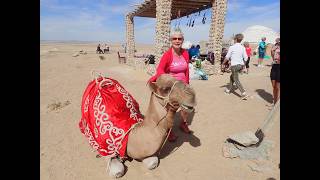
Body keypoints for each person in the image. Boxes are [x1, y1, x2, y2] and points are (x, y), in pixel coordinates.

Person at [148, 28, 192, 142]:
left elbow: (186, 70)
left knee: (187, 106)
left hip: (183, 85)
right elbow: (160, 70)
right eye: (174, 38)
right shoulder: (167, 55)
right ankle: (168, 130)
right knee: (171, 110)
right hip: (171, 87)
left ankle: (183, 123)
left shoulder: (185, 53)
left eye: (179, 38)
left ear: (182, 40)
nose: (177, 41)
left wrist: (187, 84)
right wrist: (170, 81)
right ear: (171, 40)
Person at [223, 33, 249, 100]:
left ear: (236, 39)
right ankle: (228, 90)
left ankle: (243, 93)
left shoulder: (232, 47)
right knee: (232, 77)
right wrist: (243, 65)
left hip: (234, 66)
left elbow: (227, 57)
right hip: (240, 65)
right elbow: (246, 58)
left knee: (236, 80)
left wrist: (223, 63)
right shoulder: (243, 48)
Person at [270, 38, 280, 106]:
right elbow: (273, 57)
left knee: (278, 86)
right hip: (274, 66)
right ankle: (275, 102)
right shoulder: (275, 46)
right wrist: (272, 50)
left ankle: (277, 104)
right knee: (274, 86)